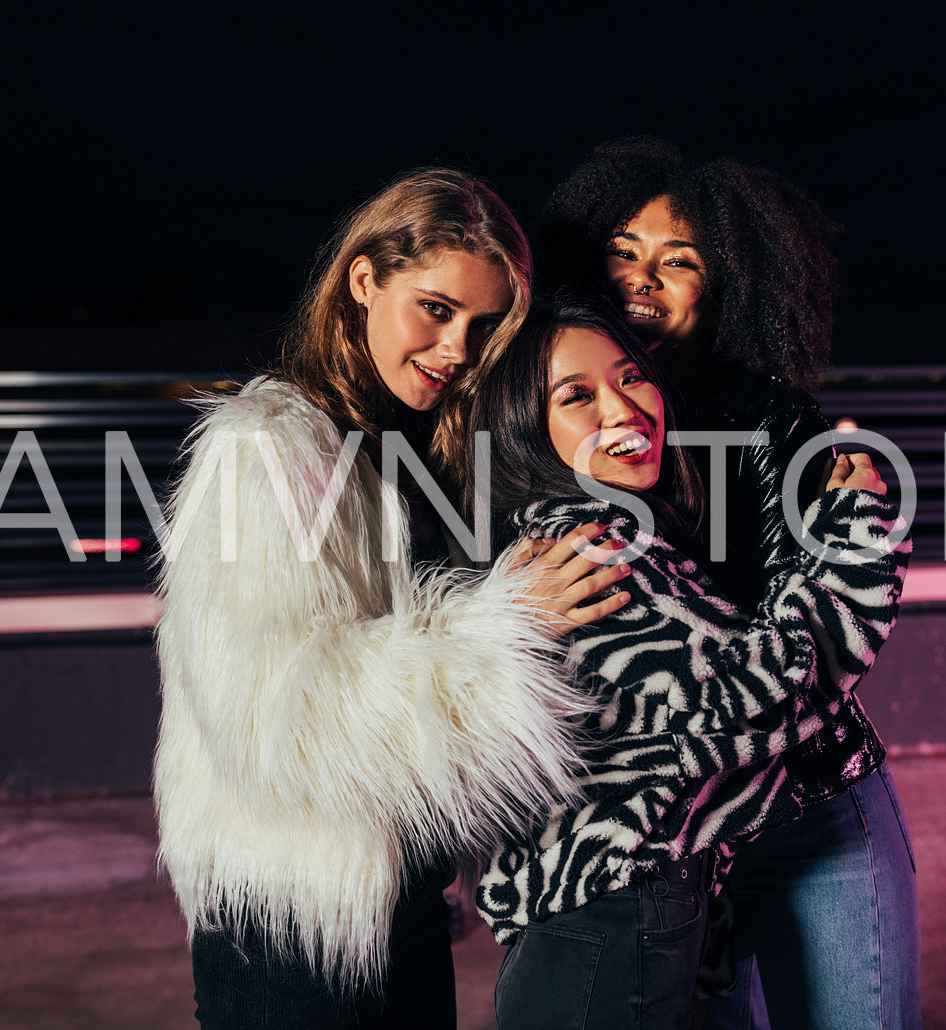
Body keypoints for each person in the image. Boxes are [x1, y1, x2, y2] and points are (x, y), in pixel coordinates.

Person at [152, 169, 635, 1029]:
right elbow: (273, 711)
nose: (456, 349)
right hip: (292, 920)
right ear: (364, 280)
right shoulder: (265, 449)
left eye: (485, 326)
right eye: (436, 309)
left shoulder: (400, 445)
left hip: (391, 901)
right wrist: (502, 626)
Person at [540, 138, 923, 1030]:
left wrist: (855, 522)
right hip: (674, 840)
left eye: (678, 262)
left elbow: (815, 640)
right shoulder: (539, 427)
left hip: (808, 803)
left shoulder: (774, 421)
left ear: (722, 286)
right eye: (624, 252)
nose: (644, 277)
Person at [468, 290, 908, 1030]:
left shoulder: (576, 532)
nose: (620, 410)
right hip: (606, 920)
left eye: (629, 378)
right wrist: (853, 533)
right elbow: (762, 699)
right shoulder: (593, 550)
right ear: (527, 431)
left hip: (609, 913)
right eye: (576, 396)